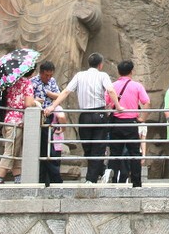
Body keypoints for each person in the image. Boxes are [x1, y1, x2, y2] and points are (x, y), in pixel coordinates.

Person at [44, 52, 121, 183]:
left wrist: (52, 106)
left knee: (92, 147)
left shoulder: (80, 75)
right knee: (93, 147)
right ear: (100, 65)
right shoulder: (102, 75)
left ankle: (90, 179)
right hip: (99, 114)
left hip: (86, 115)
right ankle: (102, 171)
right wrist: (118, 106)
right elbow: (111, 90)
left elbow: (66, 91)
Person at [108, 60, 149, 187]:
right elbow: (146, 102)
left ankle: (113, 180)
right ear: (132, 71)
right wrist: (142, 118)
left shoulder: (112, 86)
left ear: (118, 71)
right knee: (134, 153)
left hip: (116, 122)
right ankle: (136, 182)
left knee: (115, 153)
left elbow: (107, 103)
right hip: (131, 122)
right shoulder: (137, 86)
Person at [0, 65, 39, 184]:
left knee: (16, 149)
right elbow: (28, 103)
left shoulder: (11, 82)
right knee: (10, 149)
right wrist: (36, 101)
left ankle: (18, 178)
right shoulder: (26, 83)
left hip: (8, 118)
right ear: (32, 71)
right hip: (18, 120)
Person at [31, 60, 64, 185]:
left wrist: (50, 94)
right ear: (41, 73)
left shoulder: (52, 82)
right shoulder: (32, 82)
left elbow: (59, 96)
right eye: (46, 75)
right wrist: (36, 101)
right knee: (42, 149)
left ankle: (52, 178)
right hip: (36, 117)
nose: (48, 77)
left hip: (50, 117)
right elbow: (28, 99)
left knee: (50, 148)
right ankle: (45, 177)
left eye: (50, 75)